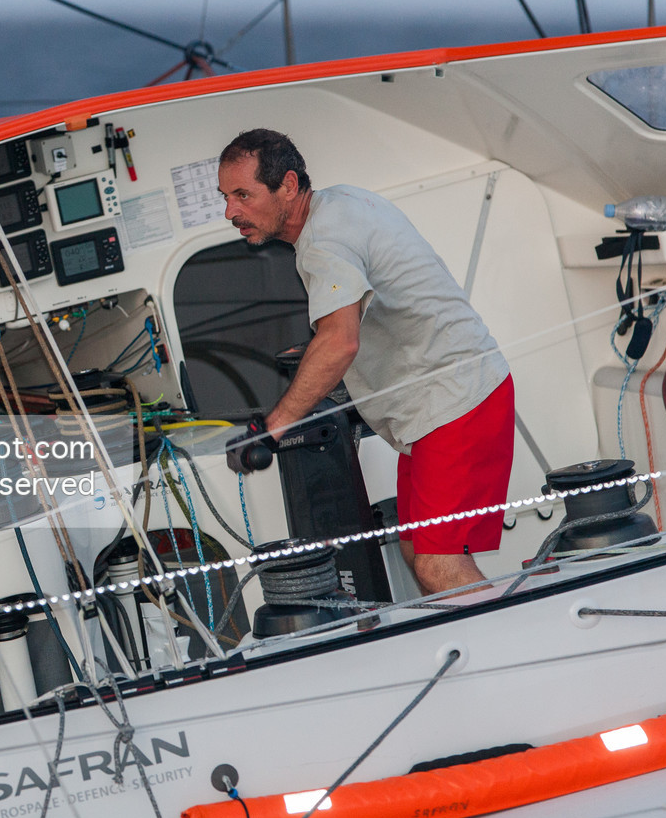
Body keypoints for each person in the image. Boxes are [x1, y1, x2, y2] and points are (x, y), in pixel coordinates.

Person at [217, 128, 513, 594]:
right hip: (434, 410)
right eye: (226, 197)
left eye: (242, 195)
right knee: (416, 551)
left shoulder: (324, 239)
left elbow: (339, 342)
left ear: (288, 186)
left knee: (439, 566)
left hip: (456, 404)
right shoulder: (341, 203)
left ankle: (510, 639)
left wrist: (271, 430)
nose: (230, 212)